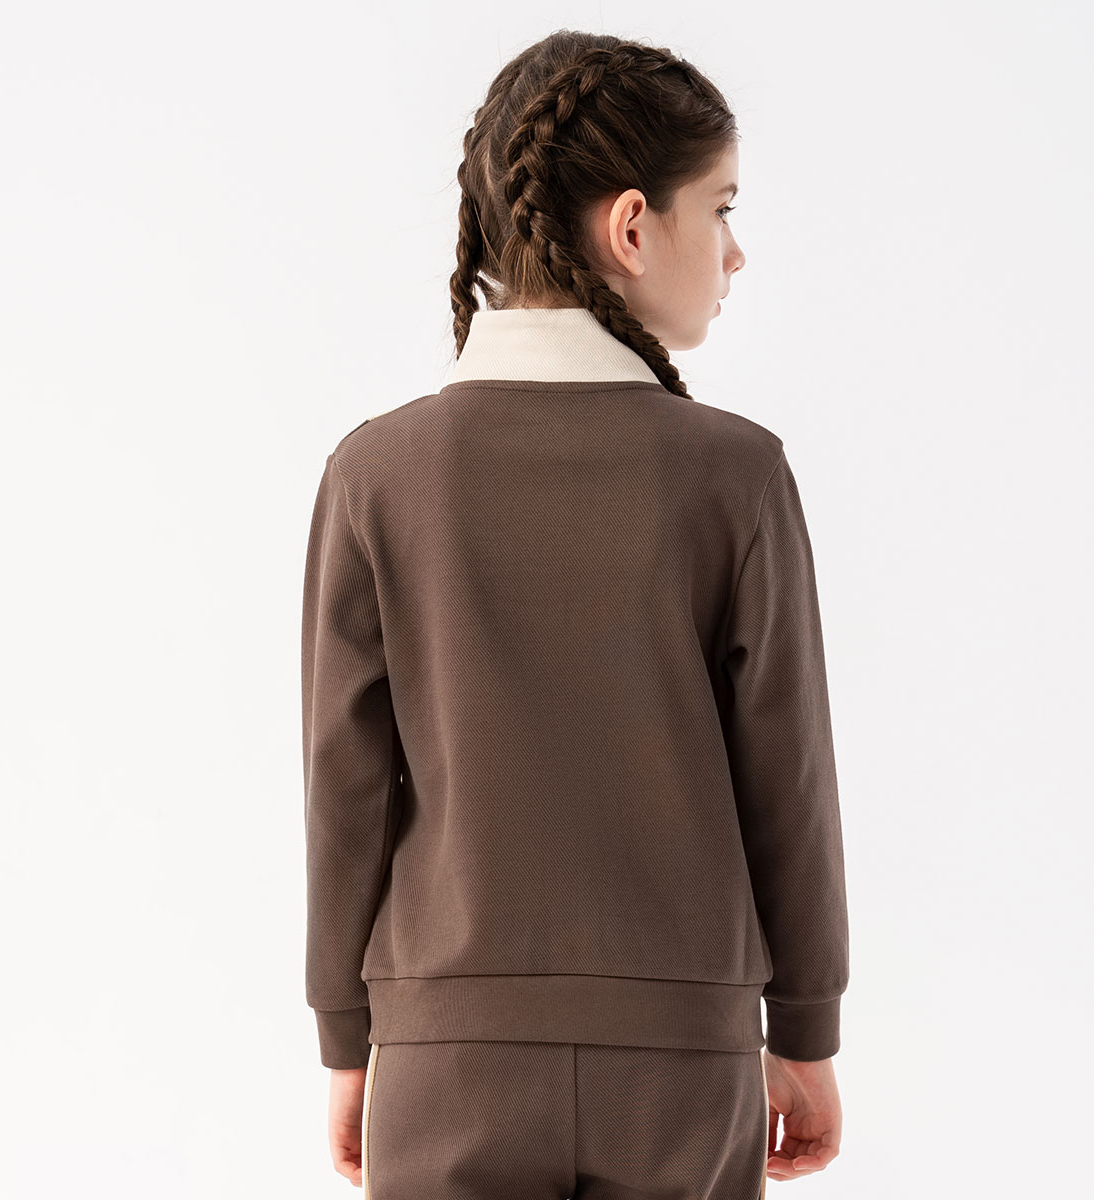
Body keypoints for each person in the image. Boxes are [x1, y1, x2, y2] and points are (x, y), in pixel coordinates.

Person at [301, 28, 849, 1199]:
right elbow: (787, 779)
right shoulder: (736, 475)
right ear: (633, 227)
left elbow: (346, 785)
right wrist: (805, 1029)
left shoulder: (377, 474)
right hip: (682, 1057)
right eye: (721, 209)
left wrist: (348, 1041)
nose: (736, 252)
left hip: (446, 1052)